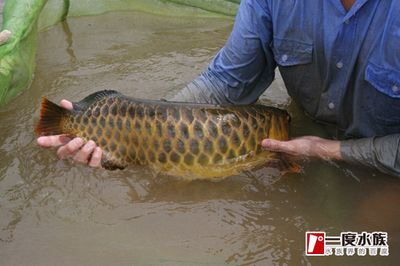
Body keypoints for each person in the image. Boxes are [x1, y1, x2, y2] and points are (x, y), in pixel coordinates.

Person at [37, 0, 400, 177]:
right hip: (299, 140)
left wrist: (330, 150)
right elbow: (225, 85)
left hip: (386, 166)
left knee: (362, 245)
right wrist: (135, 131)